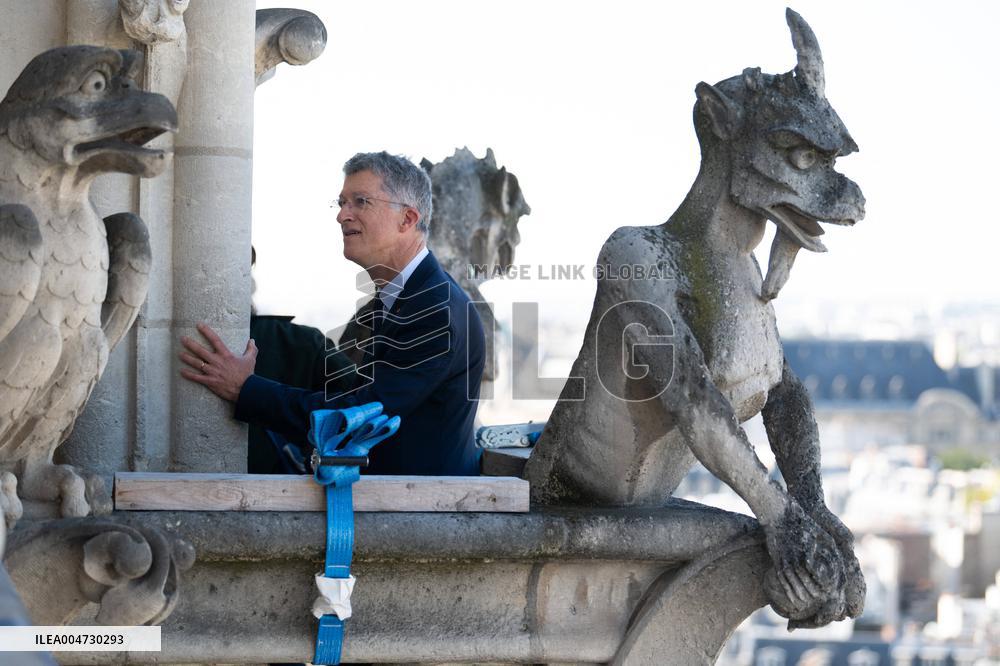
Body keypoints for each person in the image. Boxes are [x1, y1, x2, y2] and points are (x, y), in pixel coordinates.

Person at [179, 152, 485, 475]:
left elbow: (359, 417)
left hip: (422, 516)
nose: (342, 215)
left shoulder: (433, 309)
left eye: (360, 202)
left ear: (407, 220)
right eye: (341, 203)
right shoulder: (408, 296)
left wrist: (246, 389)